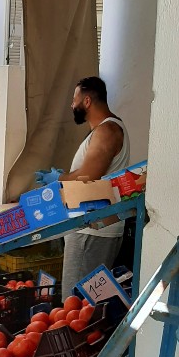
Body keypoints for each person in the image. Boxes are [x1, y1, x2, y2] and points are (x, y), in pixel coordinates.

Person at [36, 76, 130, 297]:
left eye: (74, 99)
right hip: (91, 228)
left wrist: (58, 180)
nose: (71, 105)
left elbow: (88, 176)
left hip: (93, 231)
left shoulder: (107, 131)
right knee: (88, 302)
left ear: (87, 101)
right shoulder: (102, 130)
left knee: (75, 302)